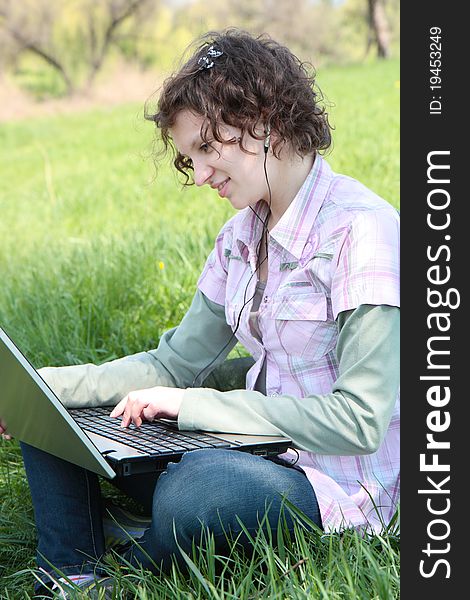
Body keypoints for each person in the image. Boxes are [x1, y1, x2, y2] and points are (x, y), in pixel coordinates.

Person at [1, 28, 400, 598]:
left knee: (197, 492)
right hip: (249, 449)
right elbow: (173, 364)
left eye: (208, 149)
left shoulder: (364, 232)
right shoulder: (240, 237)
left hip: (337, 484)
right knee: (56, 415)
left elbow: (359, 421)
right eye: (192, 158)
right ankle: (73, 573)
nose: (203, 175)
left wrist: (194, 408)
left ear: (265, 121)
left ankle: (134, 548)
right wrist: (38, 389)